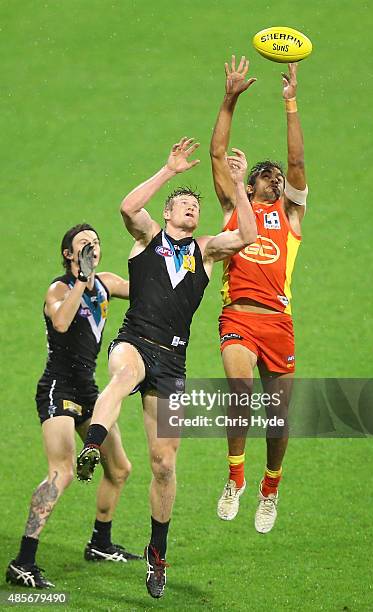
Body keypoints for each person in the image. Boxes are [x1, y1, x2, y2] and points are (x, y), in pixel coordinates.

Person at [76, 137, 257, 598]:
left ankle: (157, 554)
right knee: (123, 374)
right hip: (134, 342)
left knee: (164, 463)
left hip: (173, 359)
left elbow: (249, 237)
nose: (190, 209)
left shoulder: (207, 252)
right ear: (169, 212)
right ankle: (93, 445)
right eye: (182, 205)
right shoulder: (147, 239)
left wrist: (239, 185)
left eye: (195, 206)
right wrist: (168, 172)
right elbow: (127, 207)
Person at [6, 224, 141, 590]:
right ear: (69, 254)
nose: (91, 248)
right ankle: (23, 562)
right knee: (61, 472)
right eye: (83, 244)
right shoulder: (60, 289)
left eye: (95, 243)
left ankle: (100, 543)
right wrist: (80, 281)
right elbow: (62, 322)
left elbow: (147, 290)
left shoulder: (107, 282)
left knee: (120, 468)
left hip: (88, 390)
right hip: (57, 389)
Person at [210, 56, 308, 533]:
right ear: (246, 184)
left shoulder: (290, 218)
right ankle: (236, 478)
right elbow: (216, 154)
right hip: (238, 318)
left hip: (278, 321)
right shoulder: (236, 208)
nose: (273, 176)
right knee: (240, 391)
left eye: (276, 176)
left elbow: (297, 163)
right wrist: (229, 100)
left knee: (278, 416)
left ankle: (271, 486)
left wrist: (290, 103)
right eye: (263, 174)